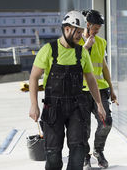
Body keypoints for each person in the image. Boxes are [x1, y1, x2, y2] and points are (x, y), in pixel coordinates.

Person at [29, 10, 106, 170]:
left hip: (77, 107)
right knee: (53, 154)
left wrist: (99, 104)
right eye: (77, 32)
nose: (80, 35)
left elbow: (91, 80)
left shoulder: (82, 53)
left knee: (78, 149)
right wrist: (34, 105)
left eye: (80, 31)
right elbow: (34, 78)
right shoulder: (49, 50)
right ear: (66, 29)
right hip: (53, 108)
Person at [79, 10, 118, 169]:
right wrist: (86, 47)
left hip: (99, 90)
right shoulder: (76, 43)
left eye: (98, 29)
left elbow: (104, 67)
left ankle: (98, 151)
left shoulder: (101, 42)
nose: (96, 32)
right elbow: (74, 66)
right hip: (80, 92)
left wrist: (111, 88)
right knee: (82, 127)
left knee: (106, 122)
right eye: (95, 28)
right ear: (87, 25)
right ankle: (84, 156)